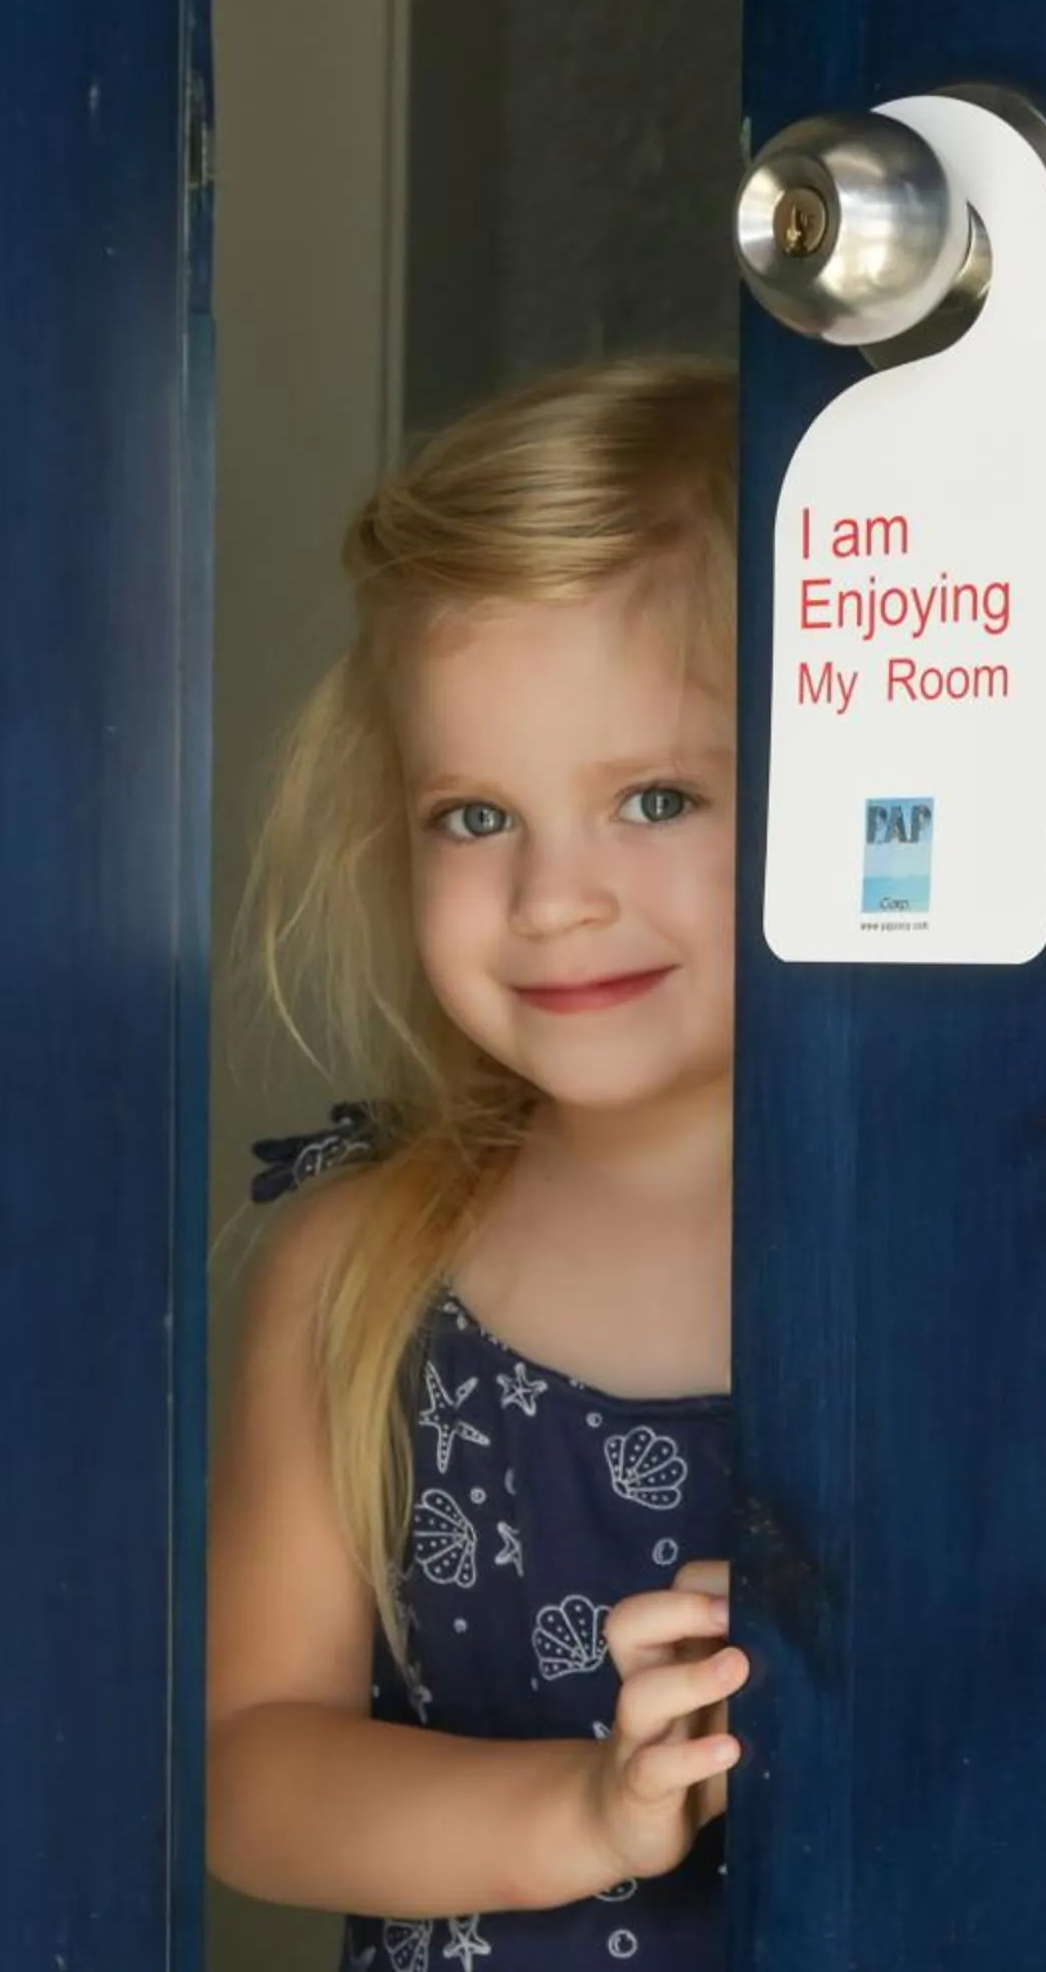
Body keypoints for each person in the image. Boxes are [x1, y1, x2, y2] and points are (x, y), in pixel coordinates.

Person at [207, 357, 745, 1971]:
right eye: (474, 817)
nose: (553, 898)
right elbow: (252, 1766)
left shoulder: (985, 1249)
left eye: (654, 797)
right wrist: (582, 1814)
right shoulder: (358, 1271)